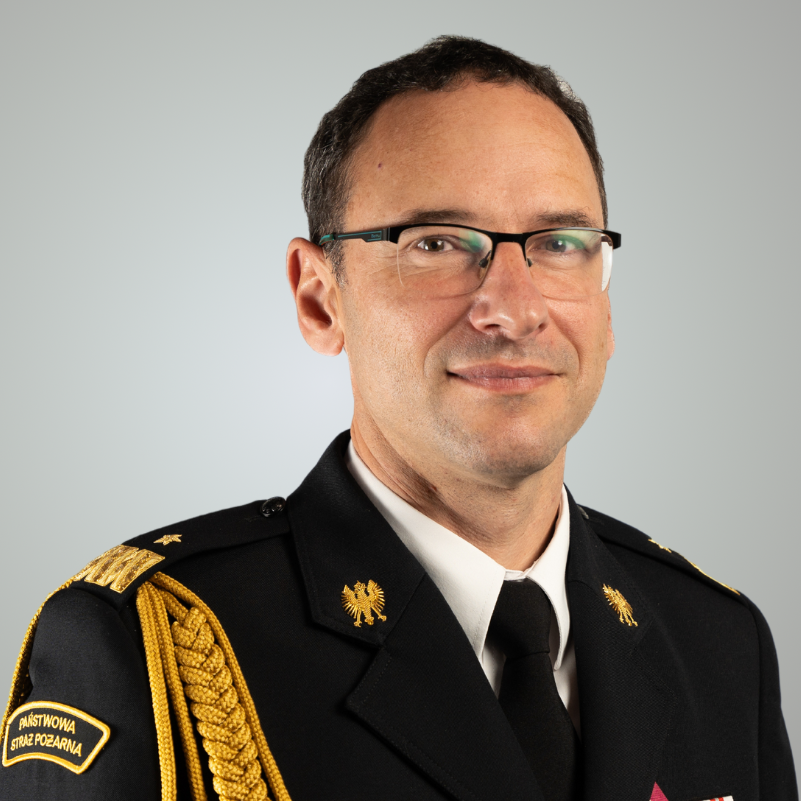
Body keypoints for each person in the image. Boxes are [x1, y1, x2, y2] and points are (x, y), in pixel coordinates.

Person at [0, 35, 796, 801]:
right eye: (437, 243)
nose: (514, 309)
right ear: (320, 298)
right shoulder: (150, 643)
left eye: (560, 242)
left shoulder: (716, 641)